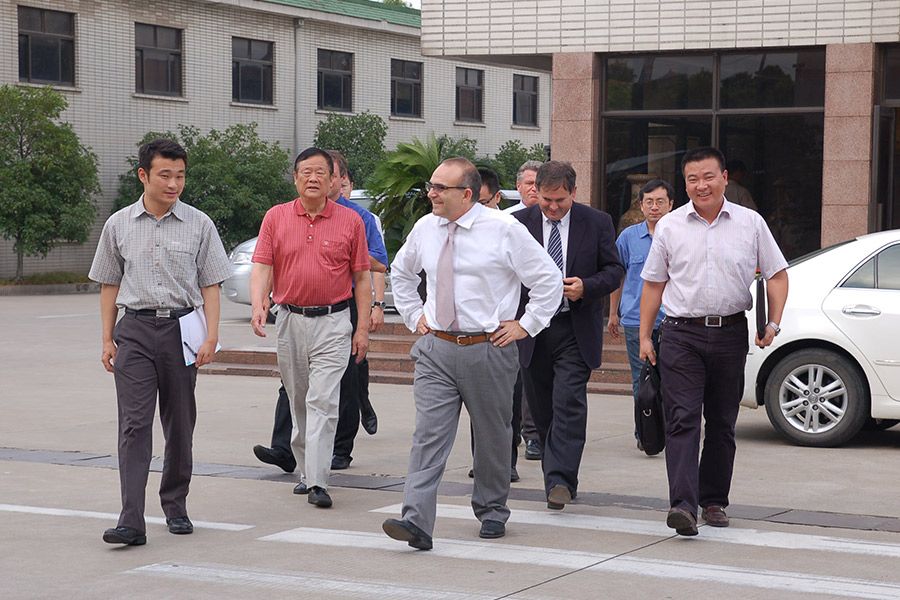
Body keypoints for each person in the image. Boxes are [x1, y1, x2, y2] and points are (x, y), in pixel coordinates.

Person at [382, 157, 562, 550]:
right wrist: (414, 315)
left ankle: (492, 509)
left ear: (467, 194)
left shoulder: (503, 229)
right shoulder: (426, 228)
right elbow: (403, 272)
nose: (431, 194)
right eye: (430, 186)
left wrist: (526, 325)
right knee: (428, 436)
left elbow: (548, 279)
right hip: (437, 349)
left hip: (488, 349)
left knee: (493, 435)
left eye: (439, 188)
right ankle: (416, 520)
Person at [639, 146, 788, 536]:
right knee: (682, 419)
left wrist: (773, 323)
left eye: (708, 177)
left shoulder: (750, 223)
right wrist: (644, 336)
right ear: (685, 183)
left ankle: (714, 501)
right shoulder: (670, 225)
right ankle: (683, 506)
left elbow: (776, 274)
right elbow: (653, 284)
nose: (700, 185)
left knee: (722, 423)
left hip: (730, 333)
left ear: (724, 178)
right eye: (692, 179)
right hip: (680, 334)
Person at [89, 139, 231, 546]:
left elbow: (211, 285)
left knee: (180, 423)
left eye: (180, 176)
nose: (173, 184)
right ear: (144, 175)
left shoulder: (199, 224)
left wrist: (212, 335)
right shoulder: (118, 224)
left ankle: (175, 504)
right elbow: (109, 284)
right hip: (133, 331)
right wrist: (106, 338)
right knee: (134, 425)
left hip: (181, 330)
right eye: (165, 175)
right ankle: (131, 520)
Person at [250, 147, 372, 510]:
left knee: (323, 400)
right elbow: (262, 265)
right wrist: (259, 302)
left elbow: (362, 278)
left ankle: (319, 480)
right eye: (306, 172)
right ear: (295, 178)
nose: (313, 178)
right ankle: (306, 470)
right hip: (290, 319)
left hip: (334, 322)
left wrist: (362, 328)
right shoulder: (276, 217)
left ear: (334, 179)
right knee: (299, 398)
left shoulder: (350, 221)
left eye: (321, 172)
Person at [514, 161, 624, 511]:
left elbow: (614, 270)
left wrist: (586, 287)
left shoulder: (597, 222)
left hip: (574, 328)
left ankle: (560, 480)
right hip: (532, 329)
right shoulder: (518, 224)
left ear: (574, 193)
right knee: (542, 410)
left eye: (560, 200)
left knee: (569, 401)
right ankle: (556, 477)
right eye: (546, 200)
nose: (552, 207)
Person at [607, 178, 674, 450]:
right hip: (636, 319)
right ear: (641, 205)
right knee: (642, 379)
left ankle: (670, 429)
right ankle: (645, 432)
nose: (654, 207)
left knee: (671, 379)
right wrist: (613, 313)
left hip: (673, 319)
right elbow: (617, 275)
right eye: (649, 202)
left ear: (671, 205)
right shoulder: (628, 237)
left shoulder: (680, 234)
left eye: (660, 202)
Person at [506, 160, 545, 460]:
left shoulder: (555, 217)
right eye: (529, 183)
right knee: (515, 376)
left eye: (538, 183)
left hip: (545, 307)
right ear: (518, 186)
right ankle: (513, 431)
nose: (534, 189)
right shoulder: (506, 221)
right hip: (514, 309)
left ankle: (534, 434)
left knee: (535, 374)